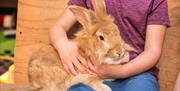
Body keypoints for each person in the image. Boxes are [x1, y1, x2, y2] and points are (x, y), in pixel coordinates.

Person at [49, 0, 170, 91]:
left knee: (143, 87)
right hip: (92, 71)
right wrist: (63, 45)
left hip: (136, 72)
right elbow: (58, 27)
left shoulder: (157, 2)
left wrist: (122, 71)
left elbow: (153, 51)